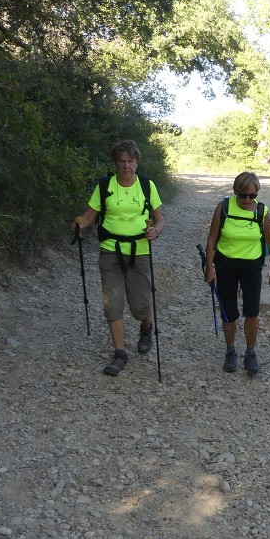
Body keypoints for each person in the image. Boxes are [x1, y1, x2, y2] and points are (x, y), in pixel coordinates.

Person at [71, 140, 164, 375]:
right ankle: (120, 354)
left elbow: (159, 219)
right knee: (112, 303)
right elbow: (89, 216)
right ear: (115, 163)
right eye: (122, 161)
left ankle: (146, 327)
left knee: (140, 306)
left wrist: (156, 231)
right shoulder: (104, 186)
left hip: (139, 250)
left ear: (137, 163)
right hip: (110, 250)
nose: (126, 166)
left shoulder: (146, 185)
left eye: (130, 161)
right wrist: (81, 222)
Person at [203, 172, 270, 375]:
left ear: (257, 194)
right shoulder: (224, 207)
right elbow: (212, 239)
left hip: (252, 266)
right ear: (235, 191)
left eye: (252, 196)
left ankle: (250, 353)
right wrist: (209, 267)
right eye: (243, 195)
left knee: (252, 312)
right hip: (225, 264)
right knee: (228, 311)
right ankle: (230, 351)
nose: (247, 200)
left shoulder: (262, 212)